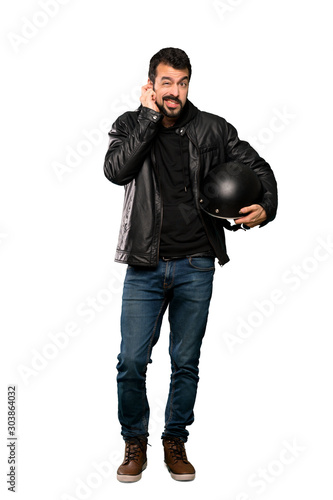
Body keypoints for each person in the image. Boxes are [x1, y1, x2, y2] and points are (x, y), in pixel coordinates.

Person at [103, 47, 278, 482]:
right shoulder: (129, 124)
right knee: (130, 361)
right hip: (144, 264)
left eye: (182, 83)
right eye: (166, 83)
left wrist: (267, 206)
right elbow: (116, 171)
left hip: (197, 263)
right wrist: (145, 119)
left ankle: (175, 439)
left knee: (185, 360)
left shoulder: (213, 129)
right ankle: (134, 441)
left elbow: (260, 167)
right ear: (150, 85)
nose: (175, 92)